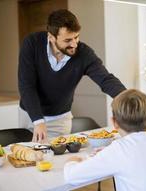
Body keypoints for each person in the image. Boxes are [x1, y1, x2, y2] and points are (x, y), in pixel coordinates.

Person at [18, 9, 126, 143]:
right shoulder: (32, 44)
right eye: (68, 40)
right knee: (28, 157)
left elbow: (105, 79)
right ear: (51, 37)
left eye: (76, 37)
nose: (74, 44)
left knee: (57, 159)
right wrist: (38, 121)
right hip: (30, 116)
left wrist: (128, 98)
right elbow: (26, 85)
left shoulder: (84, 53)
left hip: (60, 119)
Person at [64, 89, 146, 191]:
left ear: (114, 122)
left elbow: (71, 176)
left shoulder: (118, 149)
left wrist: (72, 161)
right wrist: (108, 152)